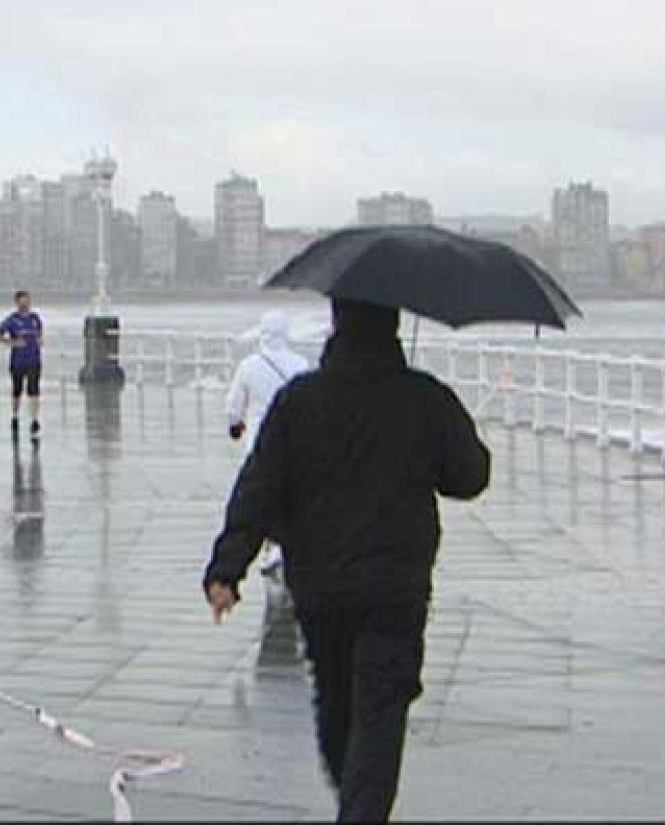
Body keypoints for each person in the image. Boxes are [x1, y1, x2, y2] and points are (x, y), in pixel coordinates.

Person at [202, 297, 489, 823]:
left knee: (336, 705)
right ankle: (362, 809)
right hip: (396, 588)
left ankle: (357, 808)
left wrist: (227, 569)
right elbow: (470, 476)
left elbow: (259, 488)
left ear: (337, 321)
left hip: (320, 586)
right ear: (395, 324)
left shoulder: (299, 401)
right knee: (380, 710)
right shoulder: (423, 398)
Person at [225, 309, 312, 579]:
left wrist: (236, 426)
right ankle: (284, 546)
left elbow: (233, 408)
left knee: (261, 496)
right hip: (295, 443)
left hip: (259, 443)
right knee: (291, 495)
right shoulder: (301, 364)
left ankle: (269, 548)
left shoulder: (249, 366)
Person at [0, 290, 44, 438]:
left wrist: (40, 340)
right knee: (17, 390)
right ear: (17, 303)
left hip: (34, 360)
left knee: (34, 390)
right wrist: (13, 343)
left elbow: (40, 332)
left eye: (27, 302)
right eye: (22, 302)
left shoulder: (35, 318)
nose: (25, 305)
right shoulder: (12, 320)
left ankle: (35, 420)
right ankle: (15, 416)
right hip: (18, 361)